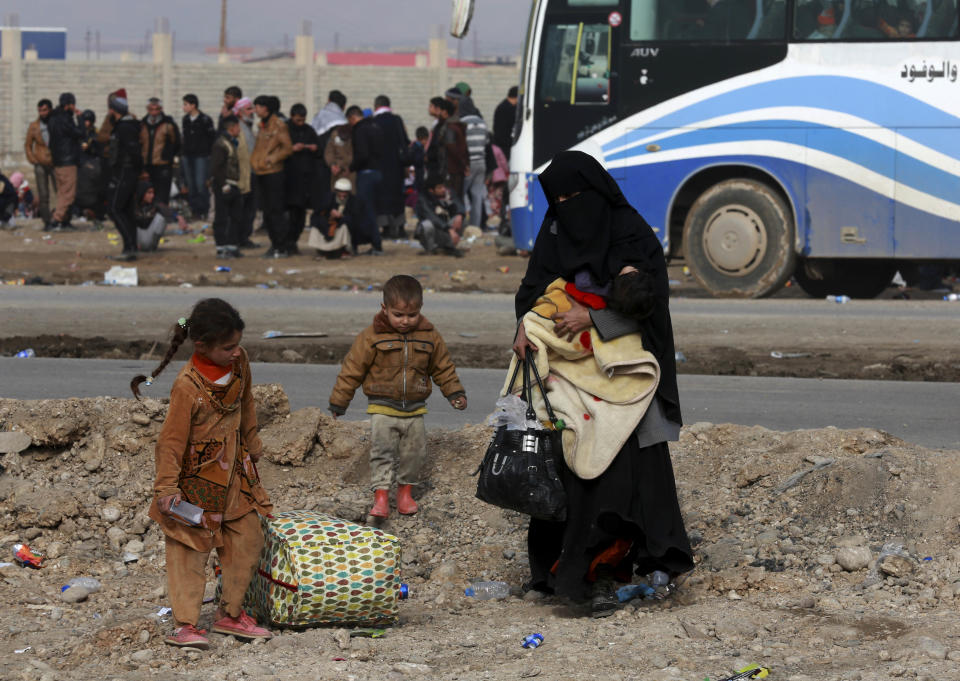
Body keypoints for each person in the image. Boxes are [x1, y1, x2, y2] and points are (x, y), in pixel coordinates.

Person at [513, 150, 693, 616]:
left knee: (633, 466)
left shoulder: (629, 230)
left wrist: (594, 314)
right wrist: (525, 325)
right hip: (572, 374)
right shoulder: (554, 229)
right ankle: (566, 570)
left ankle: (642, 562)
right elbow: (534, 288)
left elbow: (647, 300)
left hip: (624, 368)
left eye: (577, 195)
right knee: (570, 457)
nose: (570, 206)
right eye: (561, 198)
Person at [131, 298, 273, 649]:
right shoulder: (187, 386)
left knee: (249, 536)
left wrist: (253, 445)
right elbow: (171, 441)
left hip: (236, 476)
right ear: (202, 346)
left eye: (238, 344)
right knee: (188, 551)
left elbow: (248, 404)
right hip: (195, 484)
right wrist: (166, 487)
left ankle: (231, 613)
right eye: (228, 347)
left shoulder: (241, 365)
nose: (236, 352)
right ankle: (186, 625)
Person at [329, 275, 467, 518]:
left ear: (420, 310)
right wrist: (339, 403)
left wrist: (454, 393)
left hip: (415, 409)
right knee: (382, 450)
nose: (405, 321)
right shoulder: (371, 336)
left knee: (415, 452)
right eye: (398, 315)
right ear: (384, 309)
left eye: (411, 315)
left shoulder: (429, 336)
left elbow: (443, 368)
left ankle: (405, 494)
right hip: (382, 408)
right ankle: (381, 496)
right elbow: (352, 370)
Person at [251, 95, 293, 258]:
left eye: (258, 107)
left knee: (275, 211)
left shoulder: (278, 125)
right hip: (261, 171)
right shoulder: (263, 125)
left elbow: (287, 148)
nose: (256, 110)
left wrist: (272, 159)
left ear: (266, 108)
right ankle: (274, 244)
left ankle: (280, 246)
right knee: (267, 211)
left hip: (273, 172)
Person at [105, 95, 143, 261]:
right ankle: (130, 246)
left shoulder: (125, 128)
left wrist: (135, 169)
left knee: (114, 208)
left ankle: (130, 245)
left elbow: (133, 151)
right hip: (125, 171)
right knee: (126, 211)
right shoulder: (124, 126)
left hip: (125, 172)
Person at [347, 105, 385, 255]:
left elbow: (362, 154)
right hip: (378, 172)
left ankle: (376, 244)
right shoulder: (376, 127)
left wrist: (352, 166)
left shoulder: (360, 129)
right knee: (372, 210)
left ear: (352, 118)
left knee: (365, 210)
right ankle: (374, 242)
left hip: (366, 174)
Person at [372, 95, 411, 239]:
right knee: (397, 196)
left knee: (382, 198)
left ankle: (387, 228)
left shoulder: (374, 122)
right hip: (397, 165)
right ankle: (400, 227)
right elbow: (404, 142)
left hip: (380, 166)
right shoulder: (397, 120)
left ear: (376, 106)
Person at [209, 115, 248, 259]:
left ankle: (232, 247)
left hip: (234, 184)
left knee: (235, 216)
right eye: (238, 127)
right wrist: (223, 185)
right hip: (225, 186)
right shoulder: (221, 144)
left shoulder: (231, 142)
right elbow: (216, 167)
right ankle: (222, 249)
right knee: (222, 217)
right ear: (232, 128)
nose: (240, 130)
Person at [284, 103, 319, 254]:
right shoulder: (284, 130)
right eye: (298, 120)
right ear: (292, 117)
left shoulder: (309, 130)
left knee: (300, 215)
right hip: (288, 180)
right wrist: (291, 149)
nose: (301, 123)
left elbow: (319, 148)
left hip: (305, 181)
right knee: (288, 215)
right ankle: (286, 243)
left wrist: (314, 148)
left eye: (303, 120)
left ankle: (293, 241)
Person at [454, 89, 490, 229]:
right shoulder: (482, 122)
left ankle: (461, 225)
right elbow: (487, 142)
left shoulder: (462, 123)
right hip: (481, 162)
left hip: (468, 164)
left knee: (461, 194)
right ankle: (475, 226)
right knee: (477, 196)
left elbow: (460, 146)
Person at [48, 92, 84, 230]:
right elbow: (80, 133)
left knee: (62, 192)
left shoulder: (53, 118)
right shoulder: (65, 119)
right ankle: (56, 220)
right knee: (68, 194)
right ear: (68, 105)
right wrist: (79, 117)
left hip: (57, 160)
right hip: (67, 160)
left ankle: (64, 221)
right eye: (72, 105)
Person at [181, 94, 217, 220]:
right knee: (191, 185)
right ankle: (195, 210)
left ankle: (205, 209)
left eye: (186, 104)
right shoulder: (185, 119)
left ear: (193, 105)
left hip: (201, 156)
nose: (184, 107)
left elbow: (212, 138)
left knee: (201, 184)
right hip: (187, 155)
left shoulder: (205, 120)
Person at [141, 97, 181, 207]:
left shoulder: (168, 124)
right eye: (151, 109)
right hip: (147, 165)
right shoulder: (142, 124)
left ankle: (163, 218)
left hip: (163, 165)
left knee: (163, 194)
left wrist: (168, 156)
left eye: (156, 109)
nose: (154, 112)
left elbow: (176, 143)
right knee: (148, 193)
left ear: (161, 109)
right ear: (147, 109)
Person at [414, 174, 466, 258]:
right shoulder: (423, 199)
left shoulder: (448, 194)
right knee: (427, 225)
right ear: (431, 190)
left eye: (443, 186)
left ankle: (450, 246)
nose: (443, 189)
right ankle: (430, 249)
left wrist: (459, 215)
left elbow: (459, 205)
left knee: (461, 219)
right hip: (435, 230)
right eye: (439, 188)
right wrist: (449, 229)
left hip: (446, 228)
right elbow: (432, 217)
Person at [309, 177, 360, 259]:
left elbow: (355, 219)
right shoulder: (328, 199)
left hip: (341, 226)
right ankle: (322, 251)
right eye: (340, 192)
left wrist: (342, 217)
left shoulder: (353, 201)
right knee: (315, 228)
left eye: (345, 192)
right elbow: (316, 215)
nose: (342, 195)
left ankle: (344, 250)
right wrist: (329, 215)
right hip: (326, 226)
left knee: (344, 227)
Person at [24, 99, 56, 228]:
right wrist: (33, 159)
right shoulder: (34, 126)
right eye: (40, 110)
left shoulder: (55, 123)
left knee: (60, 192)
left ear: (50, 110)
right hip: (40, 164)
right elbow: (27, 145)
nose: (42, 113)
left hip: (54, 163)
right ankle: (47, 221)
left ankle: (61, 218)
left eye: (44, 110)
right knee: (43, 194)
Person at [234, 97, 260, 249]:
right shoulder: (238, 128)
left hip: (253, 173)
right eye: (249, 109)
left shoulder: (249, 127)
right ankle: (238, 237)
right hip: (242, 174)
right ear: (240, 112)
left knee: (251, 207)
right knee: (242, 207)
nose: (252, 112)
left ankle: (244, 237)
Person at [134, 181, 187, 252]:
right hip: (137, 240)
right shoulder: (133, 205)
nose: (152, 195)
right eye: (149, 193)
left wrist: (179, 217)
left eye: (152, 193)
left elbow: (165, 209)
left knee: (160, 218)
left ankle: (152, 247)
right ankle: (133, 246)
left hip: (148, 241)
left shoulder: (154, 202)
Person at [324, 120, 355, 192]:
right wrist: (332, 165)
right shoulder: (335, 135)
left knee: (350, 195)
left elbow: (356, 154)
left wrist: (347, 166)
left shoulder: (355, 134)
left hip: (351, 171)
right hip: (337, 172)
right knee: (336, 194)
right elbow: (329, 152)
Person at [493, 86, 518, 161]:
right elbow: (501, 131)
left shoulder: (508, 106)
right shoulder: (504, 108)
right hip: (504, 147)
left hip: (505, 144)